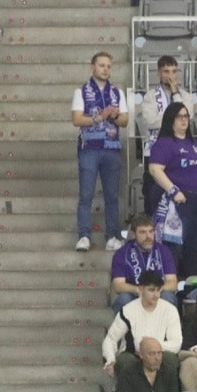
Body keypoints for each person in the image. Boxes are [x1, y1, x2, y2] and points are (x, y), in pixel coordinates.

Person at [73, 52, 130, 253]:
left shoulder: (117, 92)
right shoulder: (81, 91)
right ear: (92, 67)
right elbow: (77, 119)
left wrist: (114, 116)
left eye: (108, 66)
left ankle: (113, 235)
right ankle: (84, 235)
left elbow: (125, 120)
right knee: (86, 194)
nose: (105, 69)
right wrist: (99, 117)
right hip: (89, 148)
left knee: (112, 196)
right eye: (101, 65)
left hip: (112, 148)